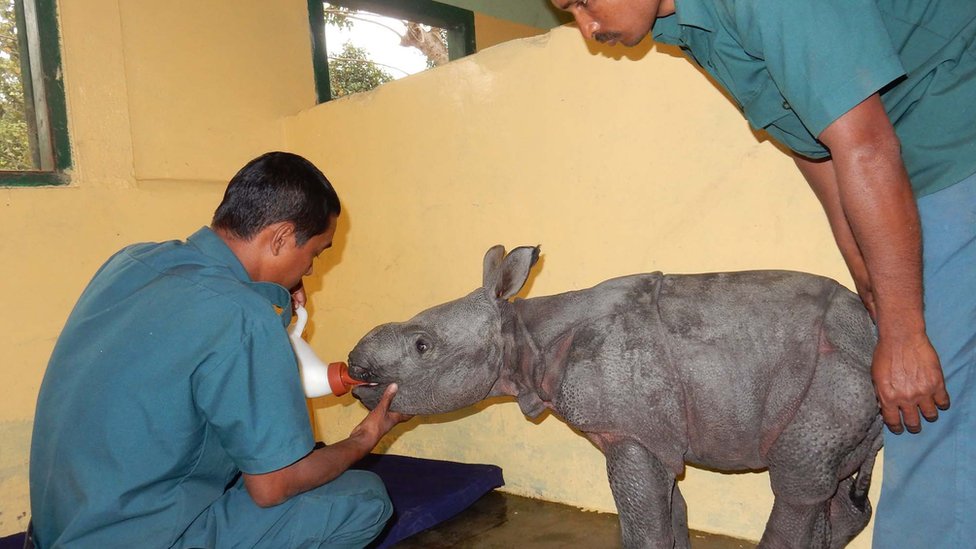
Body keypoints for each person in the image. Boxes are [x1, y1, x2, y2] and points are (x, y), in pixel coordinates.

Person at [549, 1, 975, 547]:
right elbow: (811, 141)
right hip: (907, 152)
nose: (587, 27)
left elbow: (865, 146)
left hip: (956, 135)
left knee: (922, 408)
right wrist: (861, 261)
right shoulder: (683, 23)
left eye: (582, 2)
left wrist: (904, 331)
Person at [29, 151, 411, 548]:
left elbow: (210, 338)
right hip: (142, 537)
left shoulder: (132, 261)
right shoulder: (243, 315)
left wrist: (272, 295)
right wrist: (362, 440)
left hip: (60, 531)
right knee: (361, 498)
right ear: (280, 237)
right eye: (314, 253)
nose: (310, 271)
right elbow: (274, 486)